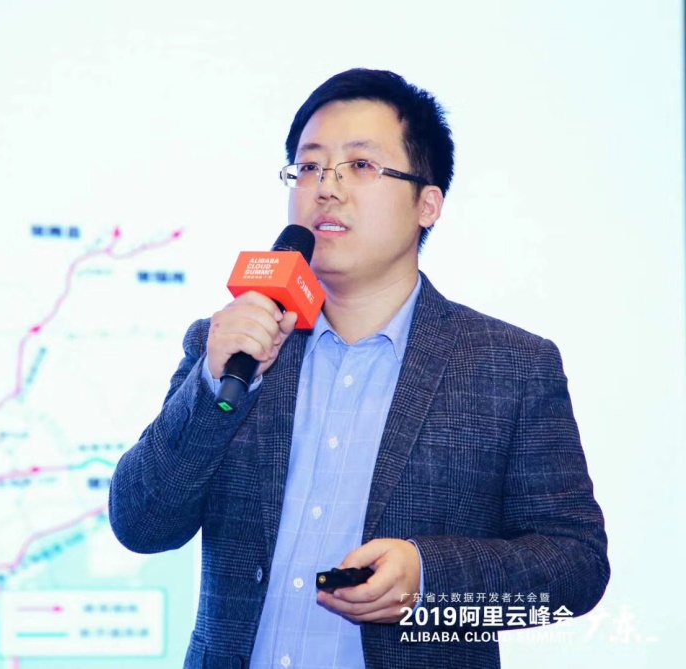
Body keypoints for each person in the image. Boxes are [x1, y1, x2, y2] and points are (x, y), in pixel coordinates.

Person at [108, 68, 609, 669]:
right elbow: (142, 524)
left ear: (428, 203)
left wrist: (430, 579)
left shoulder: (510, 366)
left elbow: (577, 567)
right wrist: (213, 386)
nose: (326, 188)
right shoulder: (228, 345)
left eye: (361, 165)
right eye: (309, 166)